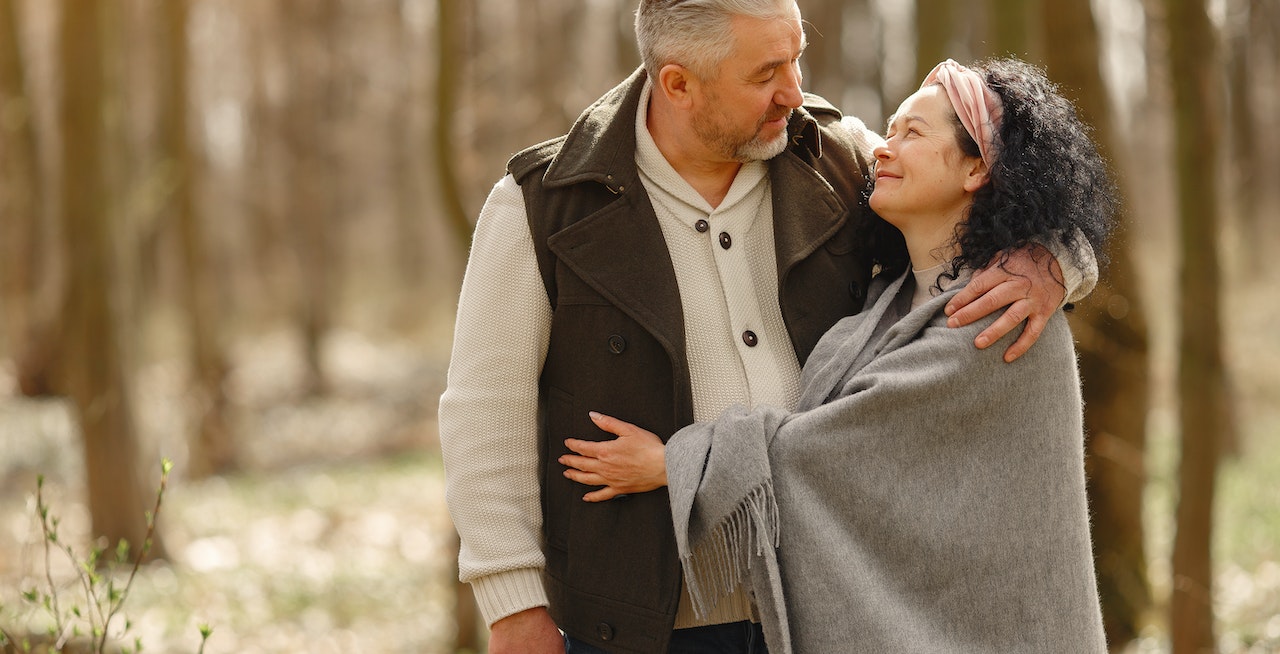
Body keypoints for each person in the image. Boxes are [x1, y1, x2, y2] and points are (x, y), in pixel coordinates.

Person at [437, 0, 1096, 650]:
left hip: (819, 613)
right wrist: (513, 605)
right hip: (641, 626)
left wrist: (1057, 260)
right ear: (679, 84)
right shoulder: (543, 203)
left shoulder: (834, 158)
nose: (794, 91)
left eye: (796, 60)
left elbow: (995, 182)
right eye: (765, 74)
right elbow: (485, 413)